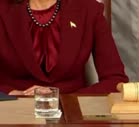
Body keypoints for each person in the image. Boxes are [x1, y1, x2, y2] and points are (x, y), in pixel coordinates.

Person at [0, 0, 128, 95]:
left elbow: (115, 80)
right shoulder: (3, 8)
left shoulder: (89, 9)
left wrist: (62, 99)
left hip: (72, 115)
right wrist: (12, 94)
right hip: (13, 111)